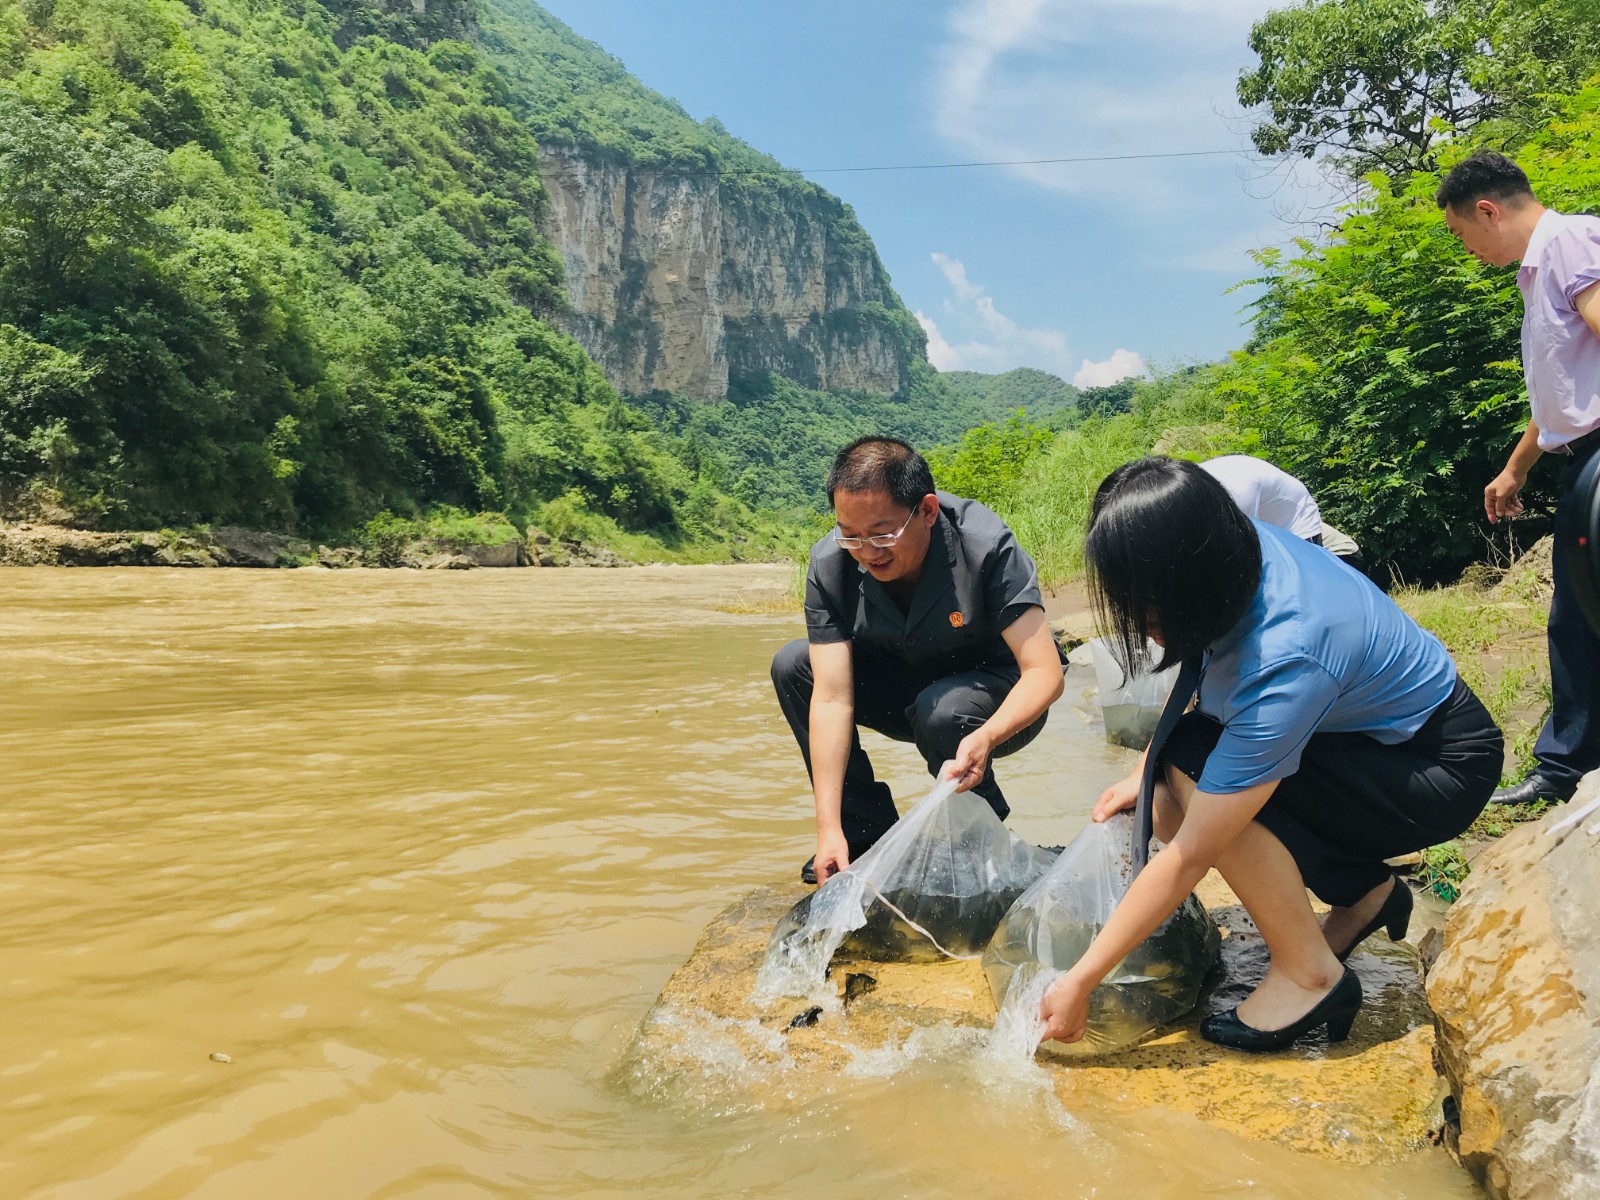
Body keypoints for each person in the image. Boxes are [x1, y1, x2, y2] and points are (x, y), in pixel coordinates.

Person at [1038, 458, 1502, 1051]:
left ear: (1191, 582)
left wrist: (1081, 979)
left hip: (1434, 767)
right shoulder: (1229, 544)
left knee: (1197, 775)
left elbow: (1193, 851)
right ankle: (1366, 893)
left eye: (1151, 615)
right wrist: (1142, 770)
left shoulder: (1285, 655)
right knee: (1175, 774)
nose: (1146, 629)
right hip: (1368, 740)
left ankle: (1310, 976)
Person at [771, 437, 1065, 885]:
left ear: (927, 511)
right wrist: (827, 829)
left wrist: (986, 737)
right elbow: (831, 699)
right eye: (850, 534)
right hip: (907, 693)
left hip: (995, 701)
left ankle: (979, 839)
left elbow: (1044, 672)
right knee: (793, 665)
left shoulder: (984, 545)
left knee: (944, 711)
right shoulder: (831, 564)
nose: (868, 552)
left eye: (883, 533)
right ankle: (861, 837)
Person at [1437, 149, 1600, 807]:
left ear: (1487, 211)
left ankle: (1565, 767)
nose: (1466, 247)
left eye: (1461, 234)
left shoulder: (1569, 241)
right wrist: (1514, 469)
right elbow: (1562, 397)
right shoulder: (1535, 276)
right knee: (1576, 618)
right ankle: (1566, 770)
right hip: (1579, 459)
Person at [1201, 454, 1372, 579]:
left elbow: (1242, 552)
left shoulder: (1238, 491)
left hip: (1343, 557)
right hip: (1279, 531)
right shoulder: (1196, 479)